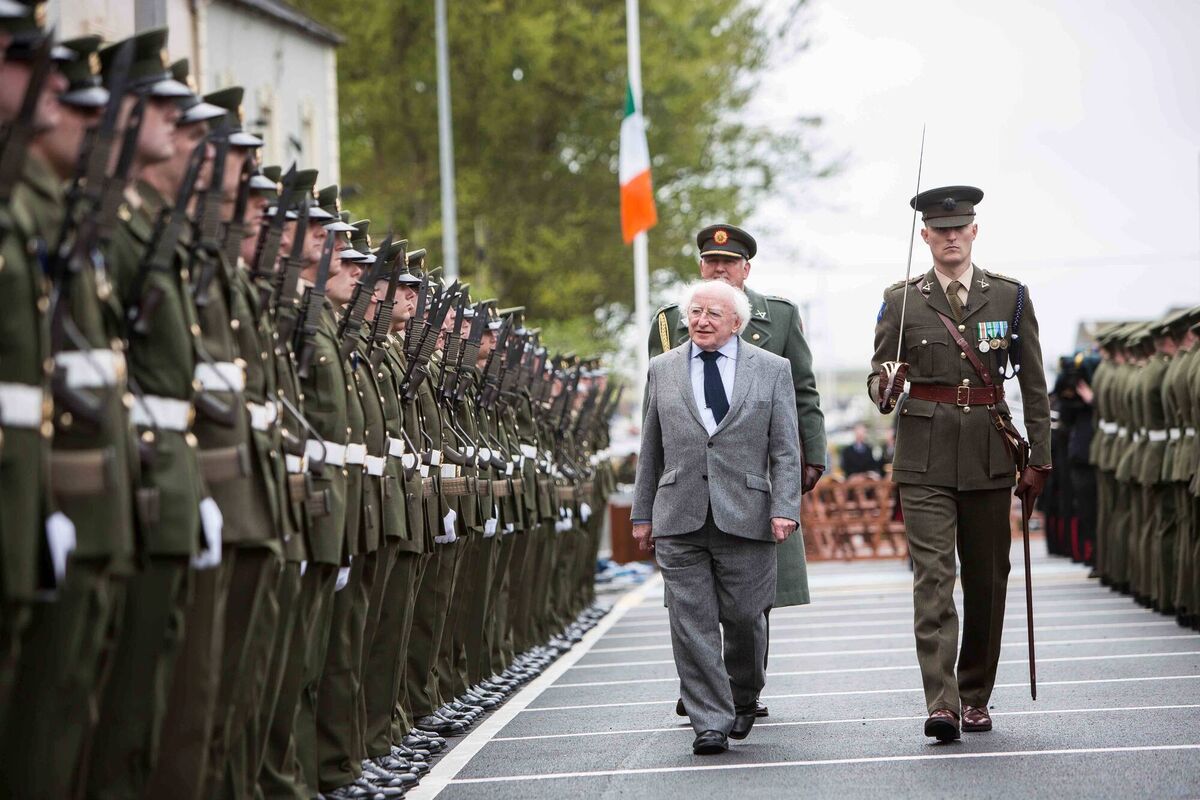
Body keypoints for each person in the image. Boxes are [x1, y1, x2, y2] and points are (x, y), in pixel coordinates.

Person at [869, 185, 1050, 742]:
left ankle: (976, 696)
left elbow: (1037, 388)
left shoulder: (1009, 297)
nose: (950, 236)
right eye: (940, 229)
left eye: (960, 227)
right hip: (922, 458)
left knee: (988, 579)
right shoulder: (901, 300)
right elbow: (879, 382)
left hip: (989, 455)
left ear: (974, 232)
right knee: (933, 579)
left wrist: (1038, 459)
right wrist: (888, 383)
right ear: (925, 235)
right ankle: (943, 702)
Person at [650, 223, 825, 719]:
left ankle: (742, 687)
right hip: (690, 483)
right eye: (710, 262)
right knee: (692, 600)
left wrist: (811, 456)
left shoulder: (780, 318)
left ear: (746, 269)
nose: (719, 269)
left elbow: (803, 394)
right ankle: (705, 689)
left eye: (728, 263)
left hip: (756, 477)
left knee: (752, 595)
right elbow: (657, 410)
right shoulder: (669, 324)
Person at [632, 279, 802, 756]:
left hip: (747, 513)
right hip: (679, 514)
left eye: (712, 313)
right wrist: (642, 514)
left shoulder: (772, 369)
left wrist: (786, 507)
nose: (701, 320)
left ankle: (744, 693)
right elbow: (651, 447)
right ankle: (708, 720)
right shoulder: (662, 369)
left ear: (737, 322)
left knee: (746, 617)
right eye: (695, 312)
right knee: (691, 623)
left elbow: (786, 448)